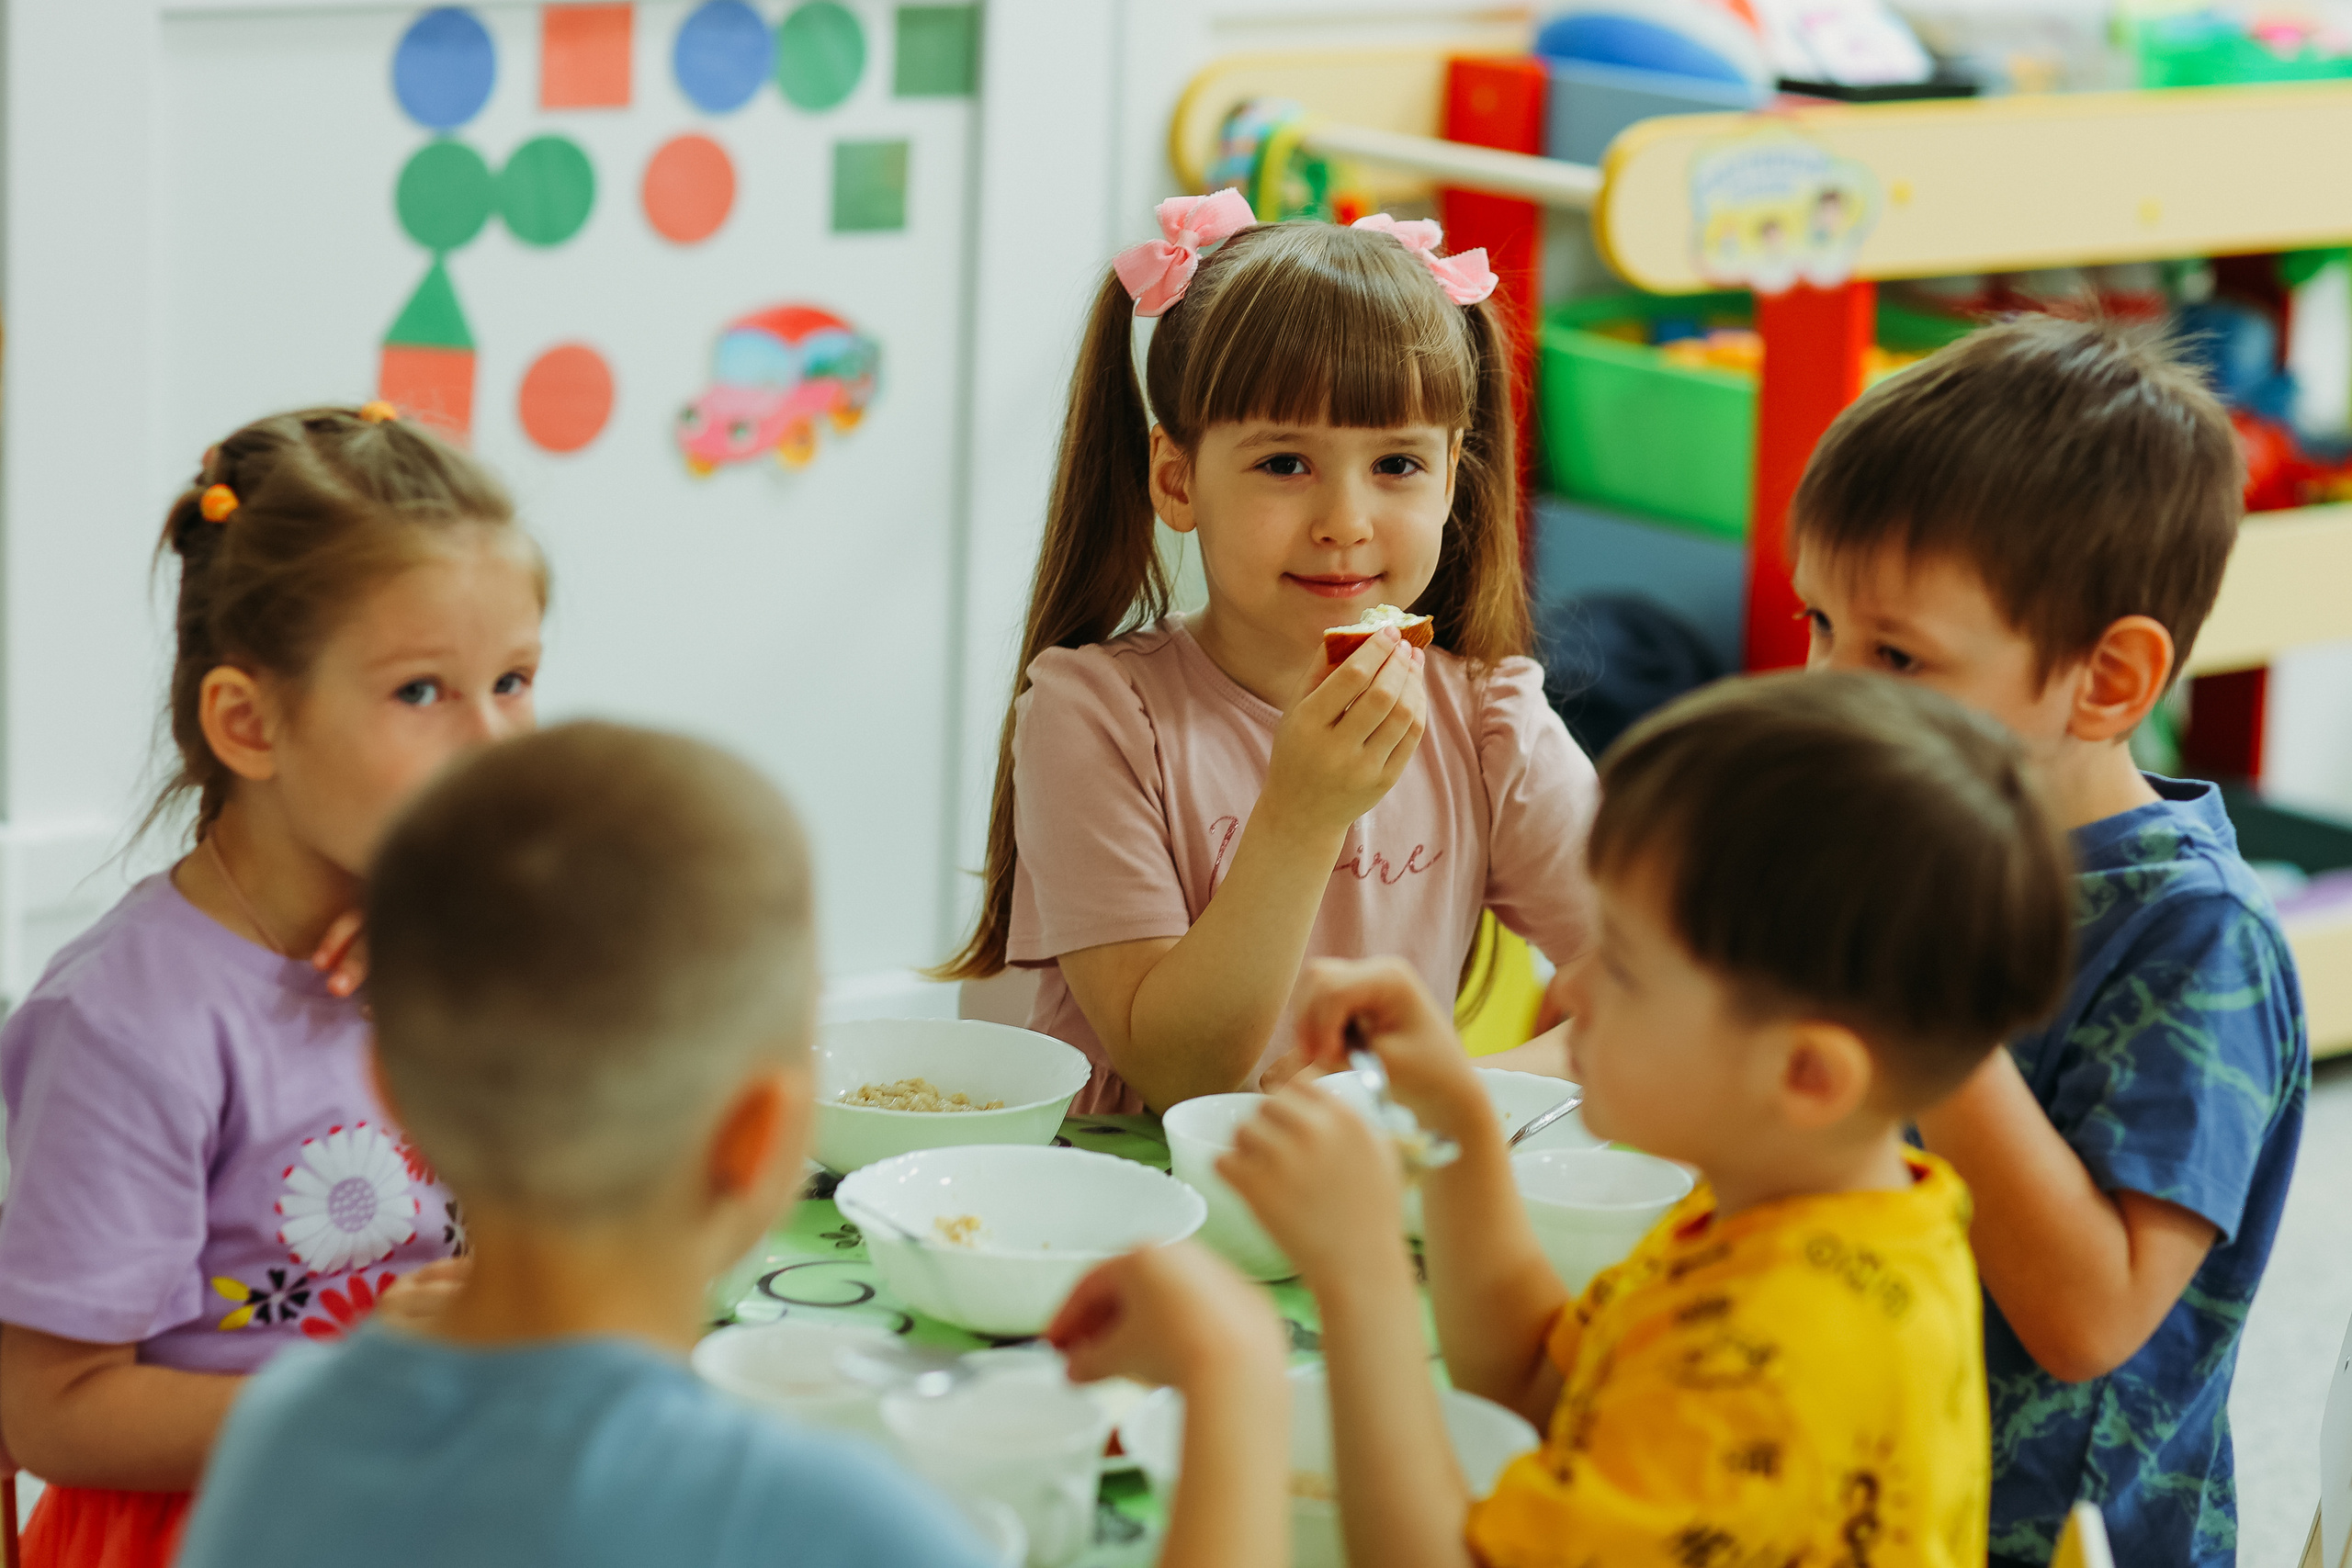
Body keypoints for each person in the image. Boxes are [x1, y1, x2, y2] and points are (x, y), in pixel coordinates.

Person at [175, 722, 1292, 1568]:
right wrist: (1234, 1376)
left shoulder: (280, 1430)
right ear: (762, 1140)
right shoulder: (829, 1523)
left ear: (396, 1097)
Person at [1221, 671, 2077, 1567]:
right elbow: (1536, 1385)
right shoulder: (1820, 1216)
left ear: (1806, 1074)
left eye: (1623, 967)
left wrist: (1360, 1275)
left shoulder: (1767, 1364)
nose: (1568, 989)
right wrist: (1457, 1120)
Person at [1790, 315, 2309, 1567]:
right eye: (1820, 626)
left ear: (2109, 681)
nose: (1829, 692)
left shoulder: (2197, 939)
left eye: (1897, 654)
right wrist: (1441, 1087)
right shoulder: (1904, 827)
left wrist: (1925, 1018)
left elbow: (2090, 1317)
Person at [0, 404, 543, 1568]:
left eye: (513, 679)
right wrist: (361, 1401)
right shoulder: (125, 1024)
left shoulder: (451, 940)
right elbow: (49, 1409)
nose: (497, 743)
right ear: (249, 723)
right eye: (421, 692)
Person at [937, 192, 1597, 1113]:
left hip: (1367, 1207)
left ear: (1453, 474)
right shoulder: (1094, 713)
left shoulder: (1492, 724)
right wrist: (1299, 815)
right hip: (1129, 1211)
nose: (1345, 523)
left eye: (1397, 465)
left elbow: (1676, 1002)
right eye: (1284, 464)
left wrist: (1427, 1093)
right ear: (1178, 479)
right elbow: (1179, 1076)